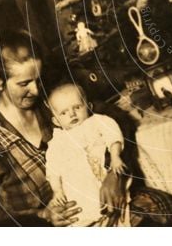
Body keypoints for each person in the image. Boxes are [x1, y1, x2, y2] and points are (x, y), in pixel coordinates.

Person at [0, 31, 126, 227]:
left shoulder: (53, 105)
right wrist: (41, 216)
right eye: (24, 83)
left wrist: (114, 174)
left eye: (37, 79)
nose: (36, 91)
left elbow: (114, 119)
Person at [45, 82, 128, 227]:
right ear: (56, 120)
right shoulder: (57, 141)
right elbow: (53, 168)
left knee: (118, 216)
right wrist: (57, 191)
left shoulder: (97, 121)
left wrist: (115, 157)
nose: (72, 114)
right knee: (81, 215)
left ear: (88, 106)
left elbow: (113, 135)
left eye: (77, 107)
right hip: (79, 193)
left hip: (103, 183)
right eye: (63, 113)